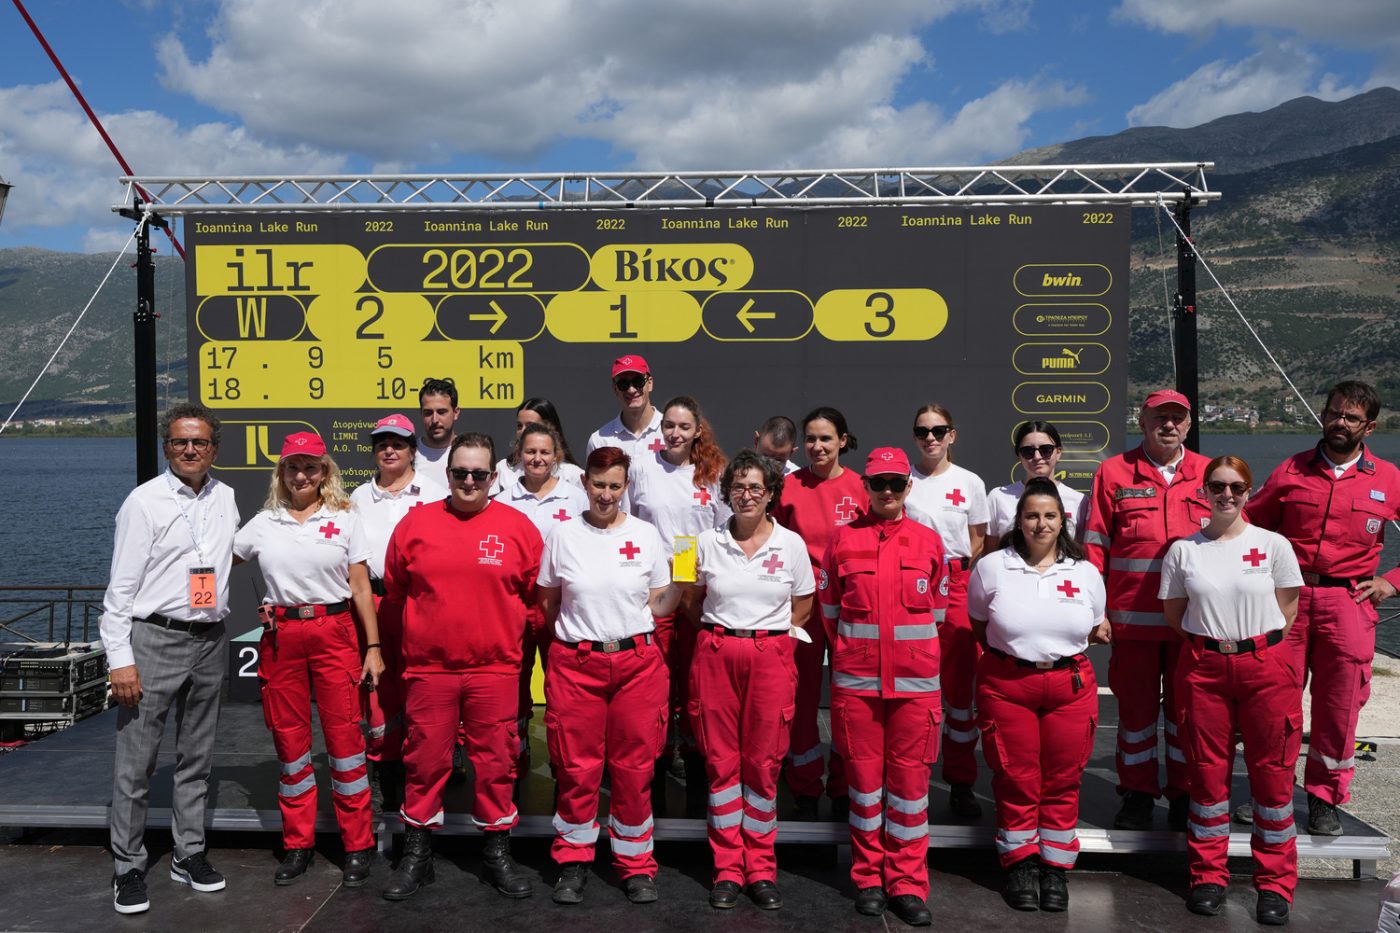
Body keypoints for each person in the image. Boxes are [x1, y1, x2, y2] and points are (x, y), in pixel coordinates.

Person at [379, 433, 544, 901]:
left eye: (479, 474)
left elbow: (533, 599)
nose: (469, 481)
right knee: (424, 763)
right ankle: (417, 855)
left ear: (493, 477)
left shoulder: (518, 528)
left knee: (496, 765)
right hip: (430, 670)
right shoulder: (415, 525)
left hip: (495, 669)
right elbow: (395, 591)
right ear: (447, 474)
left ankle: (496, 854)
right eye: (460, 472)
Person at [1244, 380, 1400, 836]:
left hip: (1349, 601)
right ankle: (1270, 794)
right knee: (1274, 702)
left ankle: (1324, 798)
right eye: (1333, 413)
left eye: (1351, 417)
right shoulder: (1291, 470)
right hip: (1288, 600)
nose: (1339, 422)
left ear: (1369, 426)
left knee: (1339, 706)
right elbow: (1250, 524)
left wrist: (1391, 582)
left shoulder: (1388, 479)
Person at [102, 403, 240, 915]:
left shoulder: (226, 497)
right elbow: (120, 592)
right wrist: (121, 660)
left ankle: (188, 853)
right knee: (136, 764)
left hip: (209, 641)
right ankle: (127, 866)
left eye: (199, 442)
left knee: (197, 760)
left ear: (213, 449)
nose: (189, 449)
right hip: (154, 640)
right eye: (180, 441)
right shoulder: (143, 503)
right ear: (167, 447)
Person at [233, 432, 385, 886]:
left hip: (334, 632)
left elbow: (361, 587)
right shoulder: (264, 522)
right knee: (290, 744)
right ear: (282, 472)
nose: (302, 476)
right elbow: (216, 562)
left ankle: (358, 844)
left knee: (345, 742)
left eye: (310, 467)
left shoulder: (345, 518)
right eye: (293, 467)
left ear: (324, 472)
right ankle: (298, 844)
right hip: (282, 636)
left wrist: (373, 647)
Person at [537, 447, 683, 905]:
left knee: (635, 770)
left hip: (637, 666)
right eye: (598, 485)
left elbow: (659, 604)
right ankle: (573, 861)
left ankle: (636, 864)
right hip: (577, 664)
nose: (605, 494)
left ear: (626, 487)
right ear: (585, 484)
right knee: (576, 769)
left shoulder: (645, 535)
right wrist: (578, 642)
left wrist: (682, 581)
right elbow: (548, 602)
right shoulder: (563, 535)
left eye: (614, 486)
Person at [1161, 455, 1303, 927]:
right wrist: (1217, 644)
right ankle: (1207, 877)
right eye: (1218, 486)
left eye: (1236, 487)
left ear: (1249, 491)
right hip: (1203, 668)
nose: (1227, 495)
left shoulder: (1273, 544)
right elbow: (1176, 614)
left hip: (1266, 666)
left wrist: (1250, 646)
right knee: (1206, 778)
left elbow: (1288, 610)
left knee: (1273, 778)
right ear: (1203, 491)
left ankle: (1275, 885)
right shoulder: (1184, 551)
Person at [819, 447, 947, 927]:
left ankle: (908, 884)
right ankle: (869, 879)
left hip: (915, 689)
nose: (887, 491)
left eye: (896, 482)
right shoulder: (842, 541)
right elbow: (830, 613)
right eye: (879, 483)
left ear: (908, 486)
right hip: (858, 687)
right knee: (865, 790)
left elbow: (937, 614)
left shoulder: (928, 541)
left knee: (911, 792)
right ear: (866, 487)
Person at [968, 478, 1109, 913]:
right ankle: (1021, 864)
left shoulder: (1084, 571)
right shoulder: (992, 567)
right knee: (1017, 778)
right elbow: (979, 624)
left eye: (1050, 516)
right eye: (1031, 515)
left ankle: (1055, 868)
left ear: (1063, 521)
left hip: (1069, 687)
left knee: (1064, 779)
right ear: (1019, 520)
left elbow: (1095, 626)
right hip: (1008, 686)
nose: (1041, 524)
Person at [686, 449, 814, 910]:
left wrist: (769, 640)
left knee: (763, 764)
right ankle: (727, 868)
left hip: (770, 655)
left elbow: (803, 605)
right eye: (738, 487)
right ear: (727, 493)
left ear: (771, 493)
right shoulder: (704, 542)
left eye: (755, 487)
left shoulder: (792, 545)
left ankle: (760, 868)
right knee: (721, 764)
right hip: (717, 653)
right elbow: (690, 600)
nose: (746, 495)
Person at [1082, 389, 1210, 831]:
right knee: (1135, 717)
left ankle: (1183, 794)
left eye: (1177, 418)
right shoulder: (1113, 472)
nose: (1168, 425)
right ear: (1142, 421)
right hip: (1132, 623)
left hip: (1191, 625)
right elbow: (1094, 546)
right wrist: (1096, 611)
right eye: (1159, 417)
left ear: (1188, 425)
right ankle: (1136, 794)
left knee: (1185, 716)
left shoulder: (1210, 473)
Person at [628, 395, 731, 816]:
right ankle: (653, 771)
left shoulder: (714, 472)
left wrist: (698, 582)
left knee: (694, 683)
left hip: (697, 587)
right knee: (653, 684)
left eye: (683, 426)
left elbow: (724, 531)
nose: (674, 433)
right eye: (668, 425)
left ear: (697, 431)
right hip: (652, 585)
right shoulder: (641, 467)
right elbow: (626, 521)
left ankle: (695, 772)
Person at [348, 413, 447, 812]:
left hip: (420, 603)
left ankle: (424, 772)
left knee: (422, 687)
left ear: (412, 450)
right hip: (372, 603)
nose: (389, 450)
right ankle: (384, 771)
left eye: (398, 444)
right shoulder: (357, 497)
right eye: (382, 444)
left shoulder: (437, 492)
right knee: (376, 688)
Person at [772, 406, 866, 820]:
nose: (817, 446)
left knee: (848, 699)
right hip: (804, 605)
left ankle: (844, 786)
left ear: (842, 440)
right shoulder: (788, 487)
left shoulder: (861, 487)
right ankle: (805, 785)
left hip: (851, 606)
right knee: (802, 696)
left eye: (826, 438)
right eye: (810, 438)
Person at [902, 403, 989, 819]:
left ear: (952, 435)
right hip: (910, 587)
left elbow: (978, 541)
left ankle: (960, 781)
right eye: (923, 431)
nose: (931, 438)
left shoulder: (969, 482)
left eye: (939, 430)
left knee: (958, 691)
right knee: (912, 687)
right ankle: (908, 779)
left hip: (955, 585)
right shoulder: (903, 480)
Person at [495, 421, 589, 776]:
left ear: (556, 455)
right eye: (530, 451)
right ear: (518, 454)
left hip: (560, 605)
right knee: (514, 685)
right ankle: (515, 756)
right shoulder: (501, 501)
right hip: (515, 605)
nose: (537, 458)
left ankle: (564, 760)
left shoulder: (575, 497)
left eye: (545, 452)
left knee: (562, 685)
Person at [986, 421, 1088, 541]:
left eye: (1046, 449)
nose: (1037, 457)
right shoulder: (998, 498)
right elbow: (991, 549)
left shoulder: (1079, 501)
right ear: (1019, 455)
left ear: (1058, 452)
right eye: (1028, 451)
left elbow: (1078, 549)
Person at [490, 397, 584, 497]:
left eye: (530, 426)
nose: (523, 431)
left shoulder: (572, 474)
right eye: (519, 426)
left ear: (550, 428)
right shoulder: (503, 469)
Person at [586, 355, 664, 457]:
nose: (631, 390)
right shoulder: (600, 441)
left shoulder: (673, 433)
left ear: (649, 384)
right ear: (615, 389)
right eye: (623, 384)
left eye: (638, 382)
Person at [415, 377, 460, 488]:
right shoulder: (408, 455)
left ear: (456, 413)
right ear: (421, 414)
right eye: (428, 413)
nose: (435, 420)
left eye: (441, 412)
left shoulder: (470, 453)